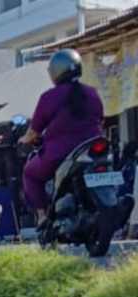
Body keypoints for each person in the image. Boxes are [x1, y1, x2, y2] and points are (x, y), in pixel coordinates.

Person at [19, 49, 104, 224]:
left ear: (55, 71)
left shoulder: (49, 97)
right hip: (94, 148)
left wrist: (23, 140)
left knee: (29, 174)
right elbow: (100, 120)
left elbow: (33, 132)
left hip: (60, 152)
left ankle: (42, 216)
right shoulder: (92, 93)